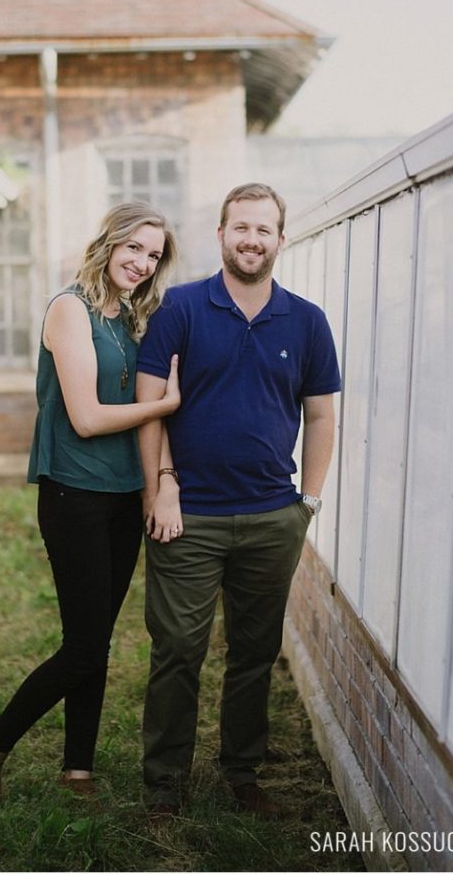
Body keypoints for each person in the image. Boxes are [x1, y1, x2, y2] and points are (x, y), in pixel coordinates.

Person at [0, 202, 180, 802]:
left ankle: (77, 768)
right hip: (73, 491)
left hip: (122, 494)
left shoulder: (134, 320)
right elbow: (85, 418)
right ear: (108, 242)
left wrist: (159, 482)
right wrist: (164, 405)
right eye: (133, 247)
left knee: (97, 638)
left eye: (153, 255)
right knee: (84, 644)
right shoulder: (68, 309)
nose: (141, 262)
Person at [135, 182, 341, 820]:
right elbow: (148, 409)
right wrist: (161, 488)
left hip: (270, 516)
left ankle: (242, 775)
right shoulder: (181, 308)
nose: (252, 240)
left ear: (281, 239)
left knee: (254, 653)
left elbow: (321, 415)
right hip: (186, 515)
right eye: (240, 227)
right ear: (220, 234)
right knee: (178, 651)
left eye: (264, 230)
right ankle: (165, 784)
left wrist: (305, 501)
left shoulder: (306, 320)